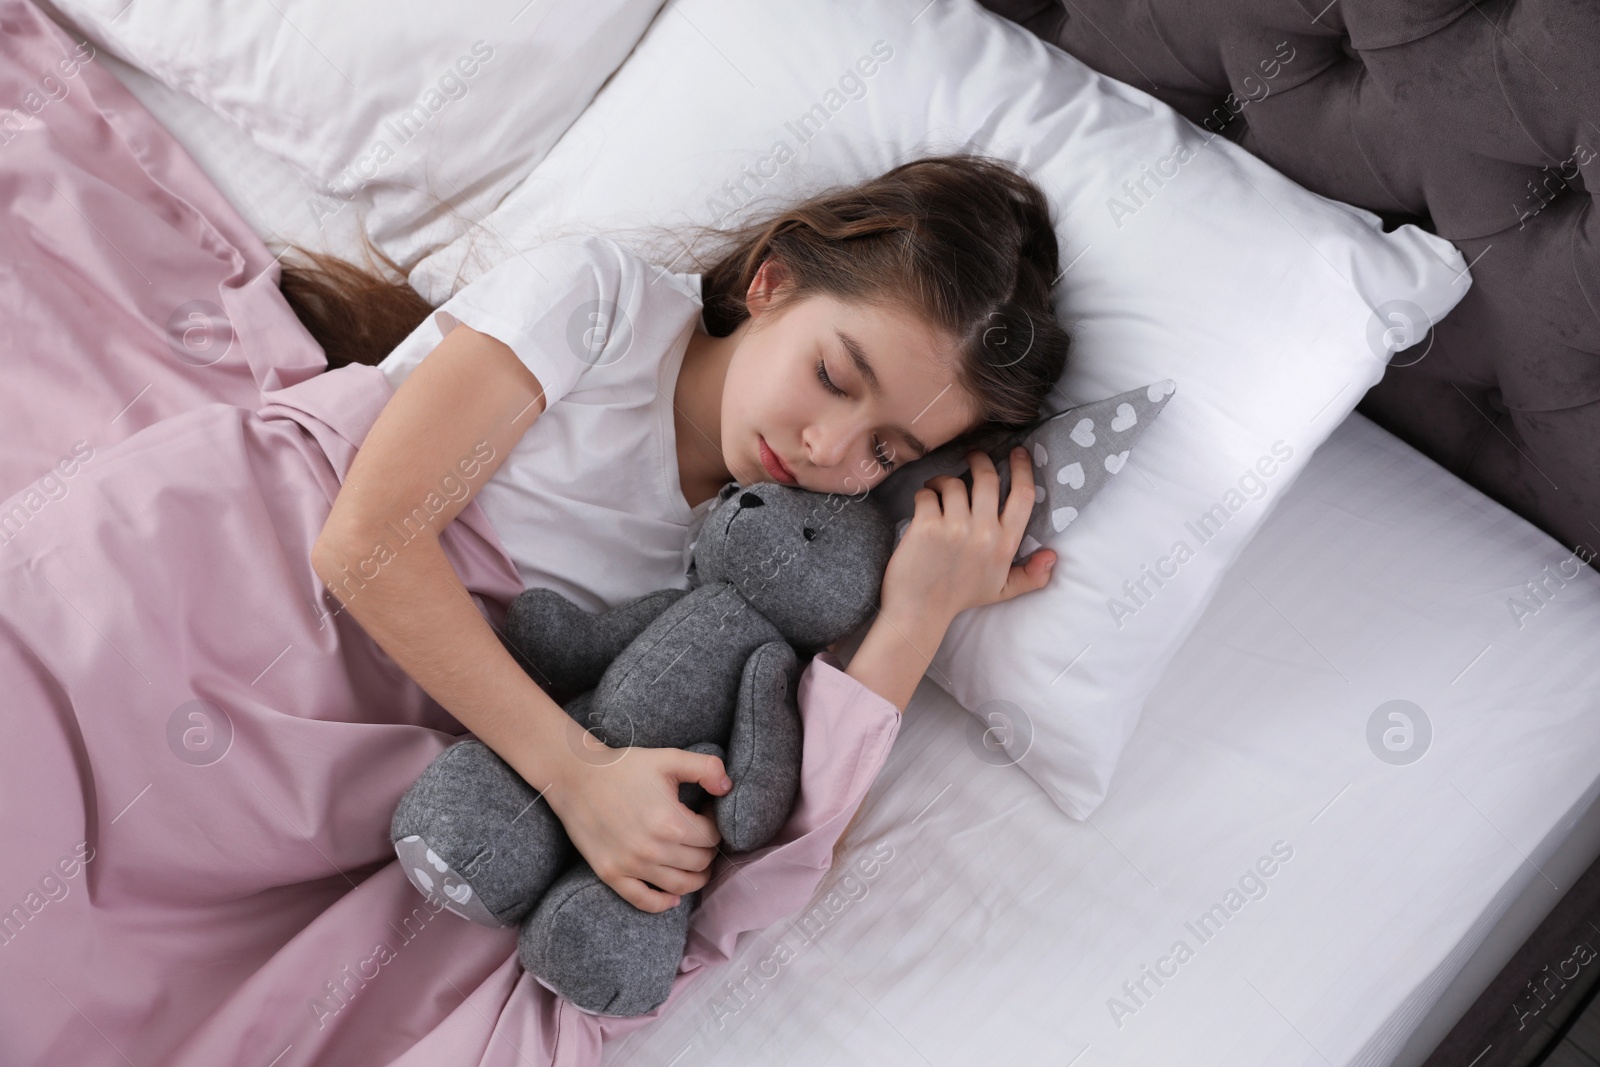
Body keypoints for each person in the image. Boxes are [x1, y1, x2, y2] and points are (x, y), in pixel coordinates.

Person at [283, 153, 1073, 922]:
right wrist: (575, 772)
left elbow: (765, 864)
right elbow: (363, 542)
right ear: (773, 281)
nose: (827, 449)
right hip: (259, 576)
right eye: (833, 376)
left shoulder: (773, 564)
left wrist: (915, 618)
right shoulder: (601, 306)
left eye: (885, 450)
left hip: (352, 774)